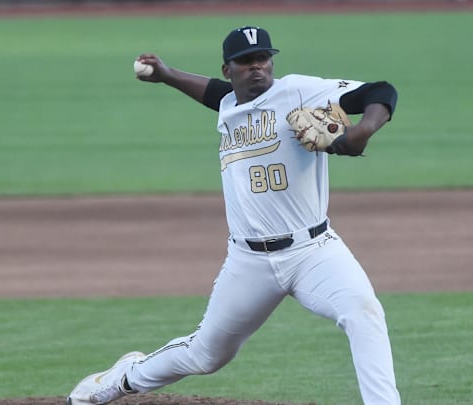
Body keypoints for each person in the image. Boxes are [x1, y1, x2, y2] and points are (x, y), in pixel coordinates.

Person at [67, 26, 400, 405]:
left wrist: (364, 130)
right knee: (206, 355)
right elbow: (212, 93)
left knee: (364, 313)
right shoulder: (228, 102)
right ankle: (126, 377)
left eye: (263, 58)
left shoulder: (297, 91)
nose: (257, 67)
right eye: (245, 61)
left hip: (315, 252)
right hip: (249, 262)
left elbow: (380, 90)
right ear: (229, 70)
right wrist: (167, 75)